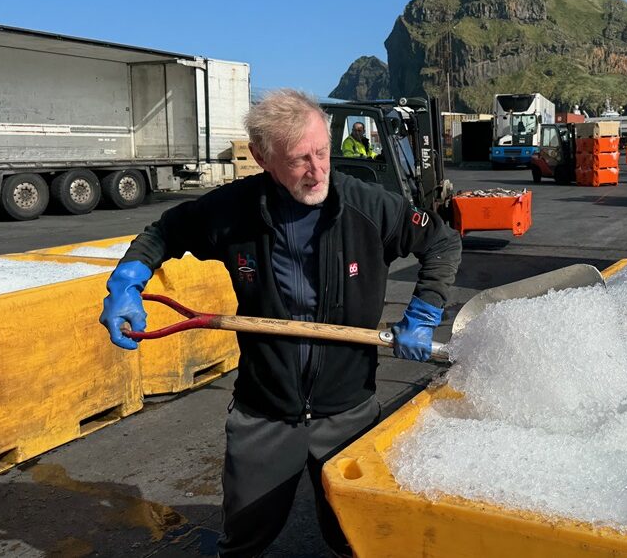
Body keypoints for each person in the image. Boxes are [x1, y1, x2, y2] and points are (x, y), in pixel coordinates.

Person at [99, 89, 462, 557]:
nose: (317, 170)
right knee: (245, 538)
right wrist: (127, 279)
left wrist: (425, 310)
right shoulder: (233, 211)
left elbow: (442, 242)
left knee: (358, 539)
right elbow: (164, 232)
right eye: (298, 160)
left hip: (349, 410)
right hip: (263, 412)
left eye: (322, 152)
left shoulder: (369, 207)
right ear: (262, 158)